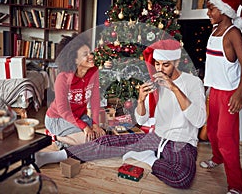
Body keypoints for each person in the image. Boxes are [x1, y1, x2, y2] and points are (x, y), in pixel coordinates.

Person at [35, 39, 206, 189]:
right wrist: (140, 101)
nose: (159, 69)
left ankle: (148, 158)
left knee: (182, 178)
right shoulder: (156, 81)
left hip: (181, 141)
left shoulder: (193, 83)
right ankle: (53, 156)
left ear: (176, 61)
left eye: (165, 65)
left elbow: (199, 121)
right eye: (157, 64)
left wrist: (174, 89)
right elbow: (142, 119)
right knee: (106, 141)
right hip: (156, 137)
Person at [200, 0, 242, 194]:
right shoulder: (214, 31)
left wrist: (239, 94)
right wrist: (207, 89)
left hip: (229, 95)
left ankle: (237, 186)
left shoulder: (233, 33)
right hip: (214, 91)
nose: (208, 12)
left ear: (224, 9)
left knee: (226, 138)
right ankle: (217, 158)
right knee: (212, 132)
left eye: (212, 8)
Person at [45, 33, 105, 149]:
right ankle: (55, 136)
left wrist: (95, 124)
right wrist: (85, 127)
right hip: (57, 119)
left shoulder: (94, 72)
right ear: (74, 59)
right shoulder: (63, 79)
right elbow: (63, 111)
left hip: (79, 116)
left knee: (99, 136)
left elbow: (95, 101)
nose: (91, 56)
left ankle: (69, 139)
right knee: (88, 142)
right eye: (85, 54)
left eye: (90, 52)